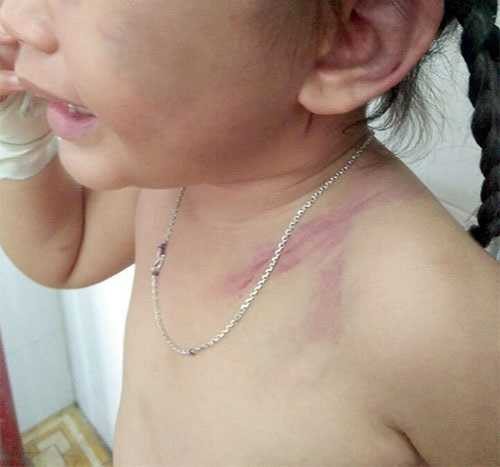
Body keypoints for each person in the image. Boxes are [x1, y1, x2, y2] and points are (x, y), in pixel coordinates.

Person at [0, 0, 498, 465]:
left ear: (355, 37)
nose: (16, 18)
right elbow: (65, 254)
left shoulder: (443, 327)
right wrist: (16, 132)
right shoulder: (179, 173)